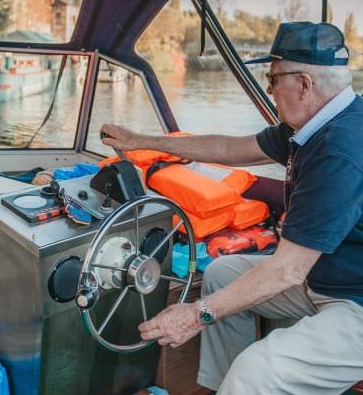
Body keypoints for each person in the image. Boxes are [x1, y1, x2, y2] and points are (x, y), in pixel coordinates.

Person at [101, 21, 363, 394]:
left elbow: (287, 270)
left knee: (260, 369)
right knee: (222, 273)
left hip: (355, 302)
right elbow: (229, 148)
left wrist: (196, 314)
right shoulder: (309, 126)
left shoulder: (340, 149)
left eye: (273, 81)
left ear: (304, 84)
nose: (270, 91)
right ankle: (224, 387)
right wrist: (142, 140)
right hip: (324, 277)